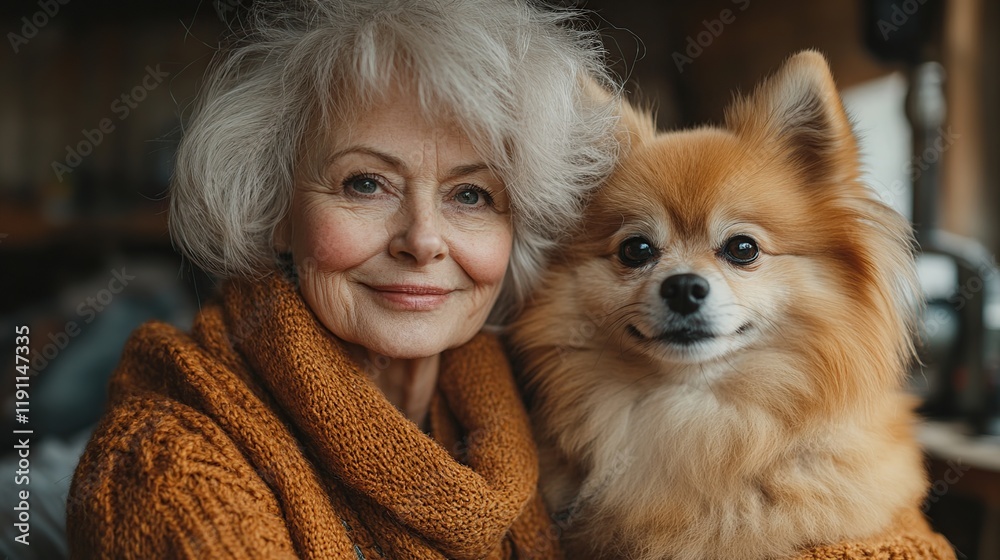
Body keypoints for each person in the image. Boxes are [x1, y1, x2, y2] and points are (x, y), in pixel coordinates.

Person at [66, 0, 619, 557]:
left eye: (471, 195)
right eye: (365, 184)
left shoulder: (551, 421)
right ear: (277, 211)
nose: (423, 240)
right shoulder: (165, 467)